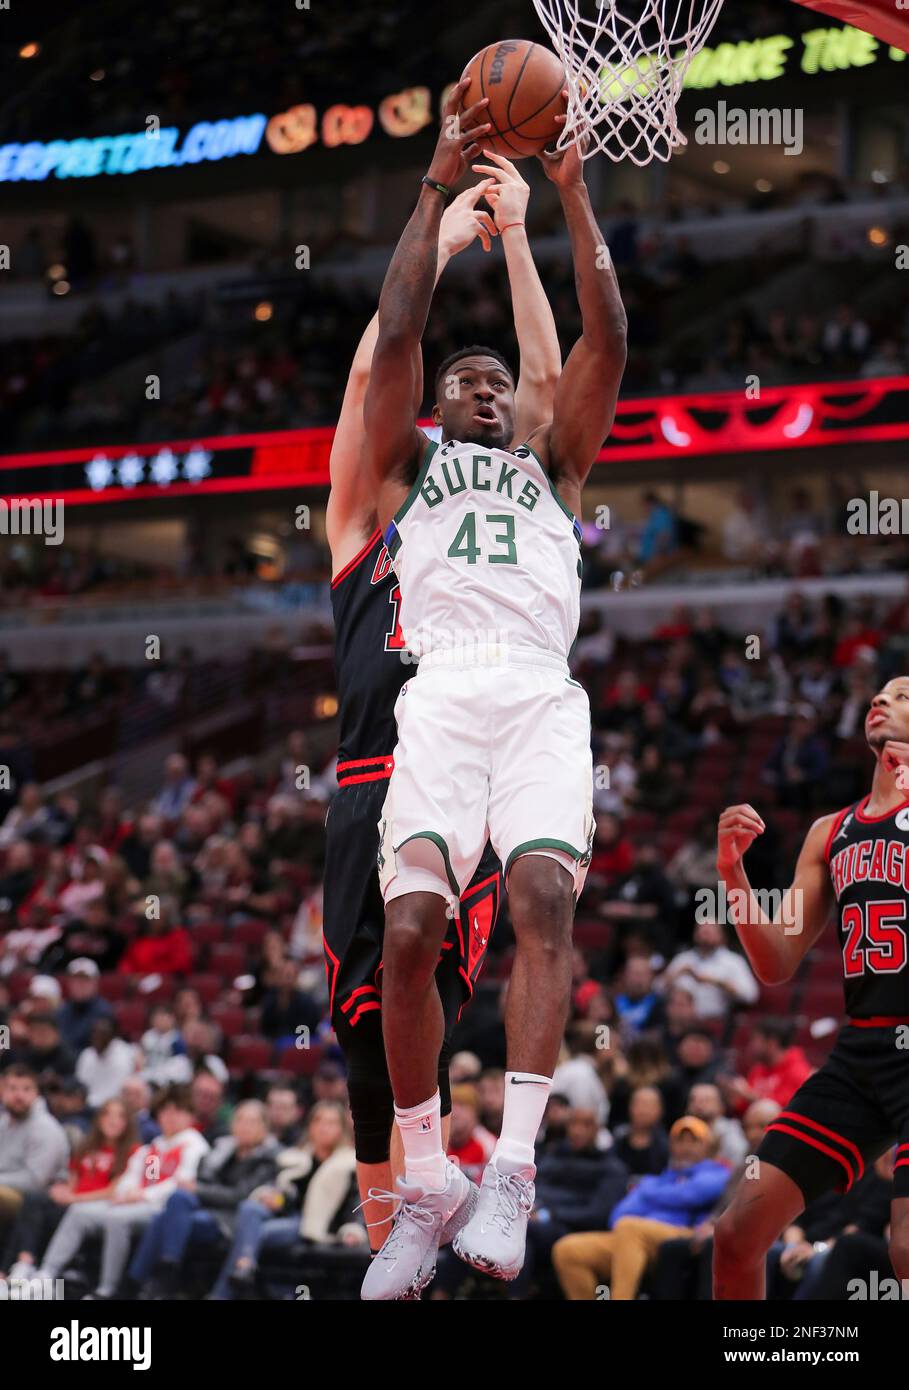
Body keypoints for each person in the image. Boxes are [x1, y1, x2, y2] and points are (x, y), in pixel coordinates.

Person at [360, 81, 626, 1298]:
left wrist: (565, 202)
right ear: (434, 403)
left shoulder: (554, 464)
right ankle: (428, 1174)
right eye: (456, 377)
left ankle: (511, 1166)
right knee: (407, 937)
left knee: (539, 904)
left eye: (494, 378)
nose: (479, 384)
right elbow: (402, 316)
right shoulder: (408, 465)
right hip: (440, 697)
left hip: (535, 697)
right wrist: (435, 179)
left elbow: (602, 345)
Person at [323, 153, 562, 1254]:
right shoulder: (367, 518)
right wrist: (445, 231)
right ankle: (407, 1214)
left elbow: (548, 399)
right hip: (366, 780)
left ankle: (439, 1191)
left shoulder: (496, 508)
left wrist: (509, 238)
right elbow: (383, 367)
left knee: (426, 982)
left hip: (456, 760)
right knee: (359, 1036)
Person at [713, 676, 909, 1298]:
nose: (884, 700)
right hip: (861, 1056)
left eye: (905, 695)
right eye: (880, 694)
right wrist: (732, 873)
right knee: (737, 1233)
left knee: (905, 1247)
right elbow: (775, 962)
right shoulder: (831, 832)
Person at [36, 1083, 209, 1298]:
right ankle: (46, 1273)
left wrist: (142, 1195)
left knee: (117, 1219)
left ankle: (107, 1289)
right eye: (166, 1110)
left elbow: (183, 1184)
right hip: (137, 1204)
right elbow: (140, 1177)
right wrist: (129, 1191)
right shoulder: (157, 1145)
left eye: (178, 1111)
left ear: (190, 1115)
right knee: (80, 1211)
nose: (170, 1116)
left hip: (163, 1211)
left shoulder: (193, 1145)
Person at [551, 1116, 728, 1299]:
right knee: (568, 1249)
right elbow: (619, 1214)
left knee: (630, 1227)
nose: (686, 1147)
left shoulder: (716, 1172)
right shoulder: (660, 1178)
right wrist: (667, 1191)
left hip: (684, 1234)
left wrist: (649, 1192)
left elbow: (692, 1195)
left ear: (708, 1147)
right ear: (672, 1146)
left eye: (694, 1141)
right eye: (680, 1141)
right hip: (632, 1239)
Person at [207, 1101, 360, 1298]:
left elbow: (357, 1202)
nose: (324, 1128)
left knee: (250, 1234)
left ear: (341, 1129)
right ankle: (244, 1268)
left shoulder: (349, 1164)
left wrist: (353, 1228)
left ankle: (227, 1288)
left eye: (331, 1123)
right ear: (310, 1126)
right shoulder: (294, 1158)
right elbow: (285, 1196)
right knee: (249, 1208)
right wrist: (273, 1198)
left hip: (314, 1227)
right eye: (319, 1121)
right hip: (287, 1218)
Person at [126, 1101, 278, 1298]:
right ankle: (160, 1272)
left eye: (252, 1122)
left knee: (162, 1219)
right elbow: (199, 1179)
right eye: (240, 1120)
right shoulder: (216, 1149)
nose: (244, 1126)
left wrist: (197, 1190)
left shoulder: (266, 1158)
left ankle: (140, 1281)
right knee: (174, 1202)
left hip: (225, 1218)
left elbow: (235, 1195)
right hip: (192, 1208)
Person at [2, 1097, 137, 1279]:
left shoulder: (133, 1151)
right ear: (99, 1119)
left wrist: (73, 1198)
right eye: (107, 1115)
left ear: (127, 1123)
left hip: (98, 1207)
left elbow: (114, 1190)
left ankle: (37, 1270)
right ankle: (21, 1264)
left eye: (119, 1116)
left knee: (44, 1209)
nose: (112, 1121)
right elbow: (73, 1181)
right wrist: (63, 1191)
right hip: (74, 1203)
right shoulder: (87, 1146)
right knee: (34, 1201)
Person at [0, 1065, 69, 1242]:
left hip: (37, 1199)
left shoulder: (46, 1128)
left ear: (37, 1093)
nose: (19, 1095)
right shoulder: (4, 1122)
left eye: (26, 1089)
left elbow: (35, 1182)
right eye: (12, 1088)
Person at [75, 1017, 139, 1107]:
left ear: (112, 1036)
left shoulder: (123, 1055)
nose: (97, 1037)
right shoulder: (87, 1054)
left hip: (114, 1105)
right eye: (95, 1033)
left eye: (102, 1034)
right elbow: (80, 1084)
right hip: (88, 1104)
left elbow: (119, 1091)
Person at [57, 958, 113, 1055]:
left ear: (95, 983)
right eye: (76, 980)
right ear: (69, 983)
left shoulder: (104, 1012)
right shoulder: (62, 1011)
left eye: (85, 980)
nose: (80, 985)